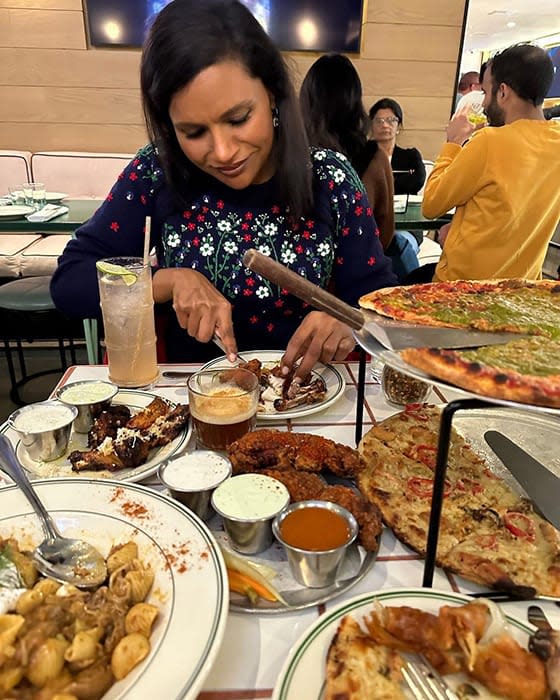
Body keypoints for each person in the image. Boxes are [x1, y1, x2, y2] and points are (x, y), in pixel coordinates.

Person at [51, 0, 395, 380]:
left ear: (272, 94)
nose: (223, 152)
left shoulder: (331, 178)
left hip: (311, 398)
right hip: (191, 406)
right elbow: (70, 282)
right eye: (193, 132)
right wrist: (165, 281)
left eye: (238, 118)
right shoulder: (158, 170)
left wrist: (346, 320)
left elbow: (379, 299)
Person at [421, 43, 560, 283]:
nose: (484, 104)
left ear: (503, 92)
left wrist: (453, 142)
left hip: (461, 292)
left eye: (486, 93)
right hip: (522, 291)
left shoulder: (488, 142)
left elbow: (432, 204)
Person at [299, 54, 394, 250]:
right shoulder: (374, 157)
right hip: (355, 277)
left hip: (292, 276)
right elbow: (384, 235)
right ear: (355, 103)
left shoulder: (289, 155)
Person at [369, 97, 426, 278]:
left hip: (405, 227)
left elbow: (416, 181)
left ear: (399, 126)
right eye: (379, 120)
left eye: (391, 120)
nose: (385, 125)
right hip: (372, 226)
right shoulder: (363, 157)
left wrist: (382, 185)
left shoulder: (410, 156)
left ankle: (412, 290)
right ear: (371, 125)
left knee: (398, 242)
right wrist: (397, 182)